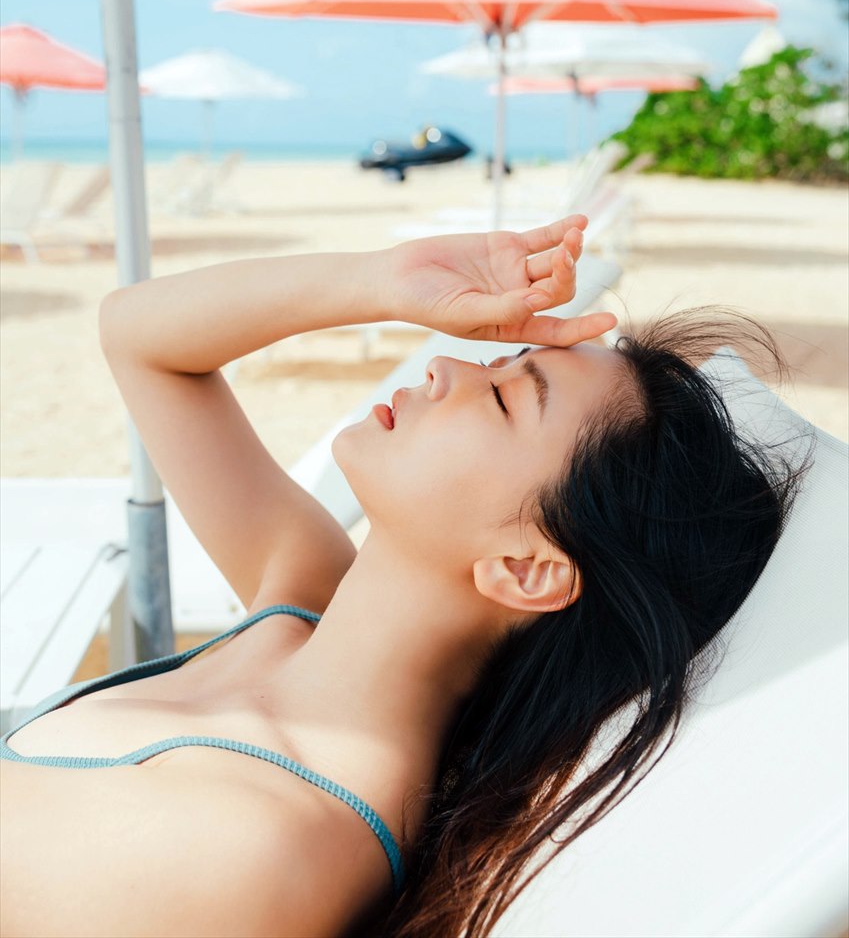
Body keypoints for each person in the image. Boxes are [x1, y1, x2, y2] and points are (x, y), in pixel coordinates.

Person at [0, 215, 805, 938]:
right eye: (497, 360)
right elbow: (138, 334)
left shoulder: (267, 844)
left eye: (503, 399)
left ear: (525, 569)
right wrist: (387, 280)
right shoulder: (299, 600)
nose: (445, 366)